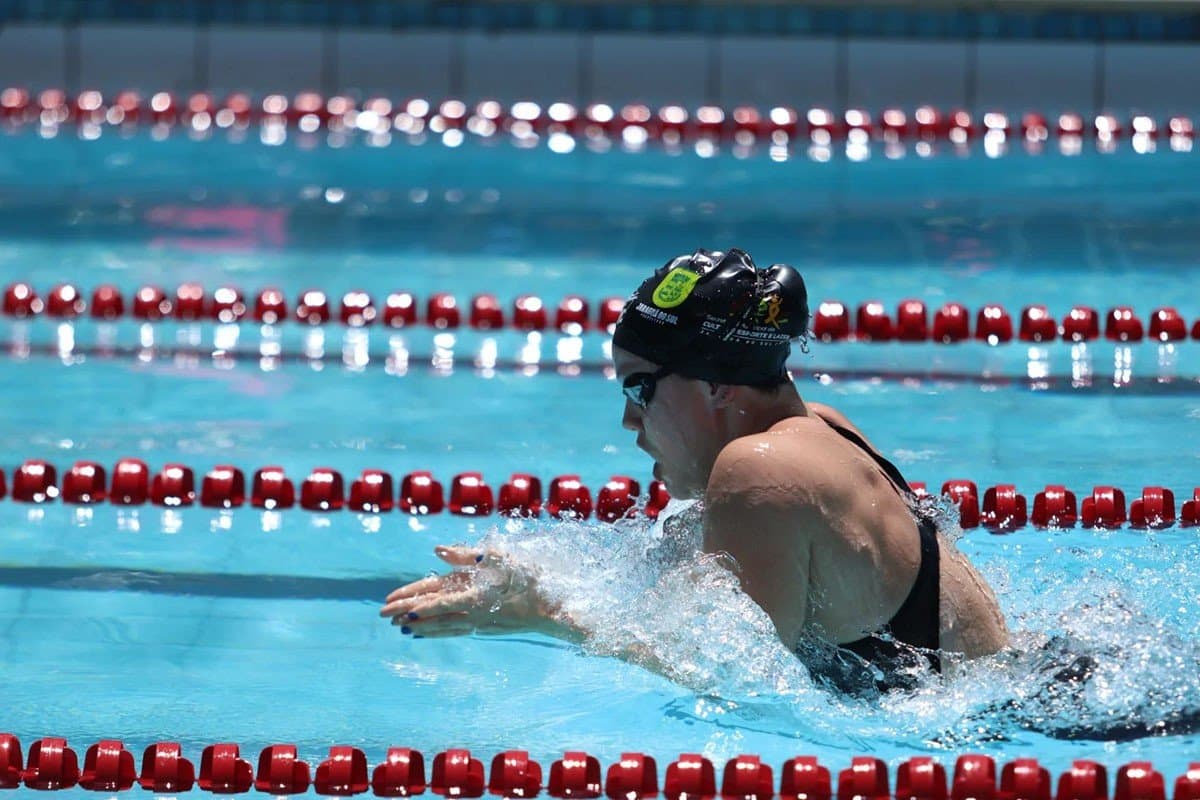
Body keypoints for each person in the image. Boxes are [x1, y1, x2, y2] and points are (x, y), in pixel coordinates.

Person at [380, 248, 1009, 694]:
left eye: (639, 389)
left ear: (714, 385)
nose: (630, 421)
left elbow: (741, 681)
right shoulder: (822, 428)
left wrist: (547, 614)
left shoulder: (758, 470)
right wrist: (547, 578)